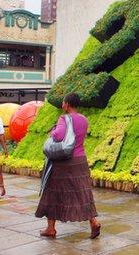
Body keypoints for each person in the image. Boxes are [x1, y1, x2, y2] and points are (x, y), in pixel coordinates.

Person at [35, 93, 101, 239]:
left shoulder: (64, 118)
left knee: (52, 192)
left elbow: (58, 135)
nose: (62, 105)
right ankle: (93, 222)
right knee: (82, 192)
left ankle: (50, 229)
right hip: (80, 160)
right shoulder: (84, 119)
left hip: (64, 163)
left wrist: (52, 130)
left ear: (67, 104)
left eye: (63, 102)